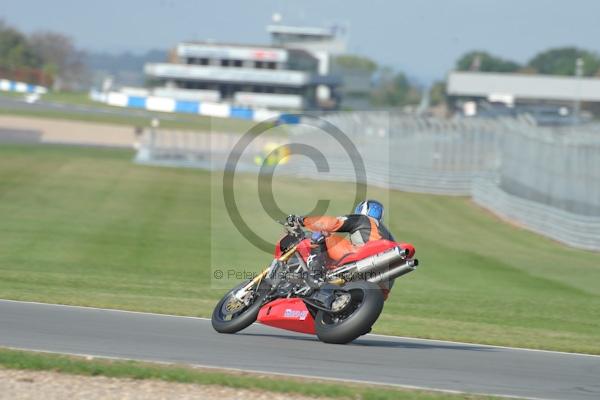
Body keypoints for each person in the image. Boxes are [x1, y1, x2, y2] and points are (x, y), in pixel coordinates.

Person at [286, 200, 397, 297]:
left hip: (362, 257)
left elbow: (331, 224)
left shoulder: (362, 219)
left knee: (321, 234)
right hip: (382, 284)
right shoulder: (389, 236)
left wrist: (302, 220)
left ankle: (315, 274)